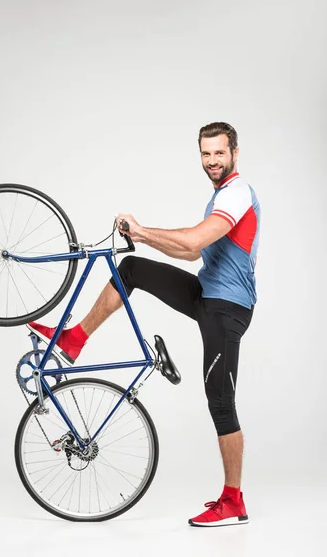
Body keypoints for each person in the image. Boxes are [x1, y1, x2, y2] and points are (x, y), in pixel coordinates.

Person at [28, 121, 261, 527]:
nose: (212, 161)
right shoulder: (221, 195)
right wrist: (142, 238)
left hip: (228, 309)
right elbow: (191, 256)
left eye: (219, 153)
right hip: (205, 294)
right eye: (206, 154)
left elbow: (191, 243)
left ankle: (233, 501)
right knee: (131, 267)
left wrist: (141, 229)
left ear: (235, 153)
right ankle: (75, 339)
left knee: (220, 402)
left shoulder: (239, 193)